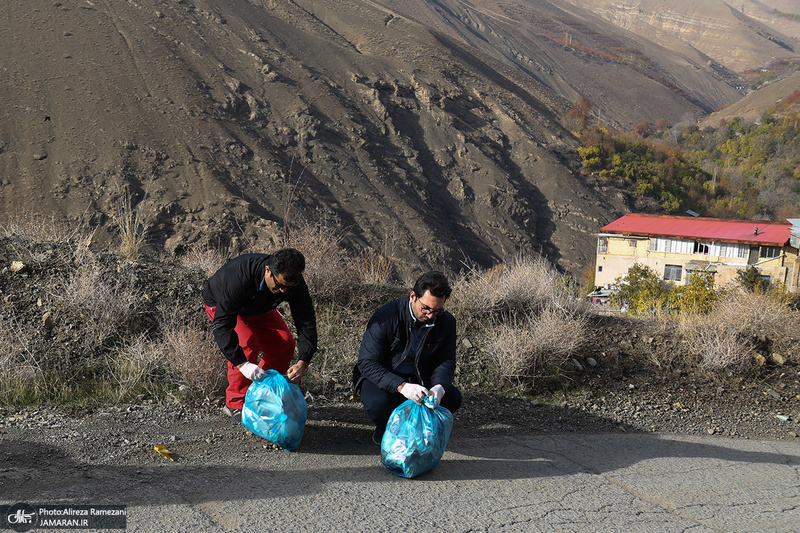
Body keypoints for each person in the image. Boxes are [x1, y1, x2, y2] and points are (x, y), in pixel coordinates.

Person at [203, 248, 317, 421]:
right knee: (247, 342)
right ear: (268, 270)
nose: (283, 292)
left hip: (258, 307)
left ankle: (263, 395)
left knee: (284, 344)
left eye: (288, 288)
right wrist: (243, 365)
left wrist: (303, 361)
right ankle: (236, 403)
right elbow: (222, 324)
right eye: (279, 286)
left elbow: (306, 320)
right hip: (221, 303)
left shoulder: (294, 284)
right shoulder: (240, 276)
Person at [353, 271, 462, 444]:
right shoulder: (386, 317)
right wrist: (402, 386)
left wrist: (438, 387)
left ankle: (417, 427)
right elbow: (367, 362)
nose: (430, 315)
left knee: (453, 398)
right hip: (385, 376)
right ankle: (385, 427)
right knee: (378, 404)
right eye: (426, 308)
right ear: (413, 296)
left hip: (420, 377)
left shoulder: (446, 322)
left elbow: (445, 360)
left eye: (437, 310)